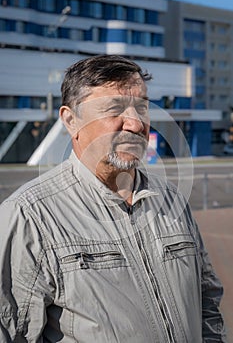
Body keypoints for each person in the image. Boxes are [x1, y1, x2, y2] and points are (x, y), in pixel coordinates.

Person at [0, 55, 226, 342]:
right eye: (114, 109)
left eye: (142, 108)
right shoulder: (29, 216)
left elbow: (207, 301)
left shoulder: (171, 201)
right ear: (71, 121)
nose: (135, 124)